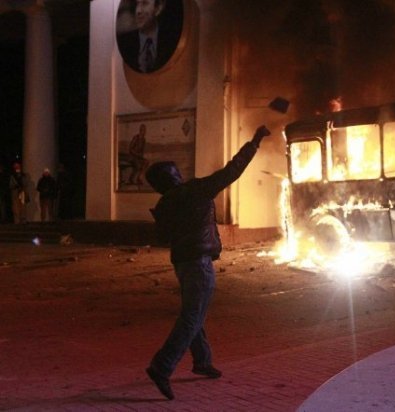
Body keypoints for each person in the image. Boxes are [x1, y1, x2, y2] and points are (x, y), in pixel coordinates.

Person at [144, 125, 271, 400]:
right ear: (175, 176)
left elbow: (163, 237)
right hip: (199, 263)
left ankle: (202, 360)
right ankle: (162, 366)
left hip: (182, 263)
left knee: (194, 311)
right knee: (192, 316)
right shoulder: (195, 190)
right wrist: (255, 141)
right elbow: (232, 170)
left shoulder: (164, 204)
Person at [116, 0, 181, 73]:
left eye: (145, 3)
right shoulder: (126, 43)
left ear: (158, 8)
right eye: (137, 4)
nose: (138, 11)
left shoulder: (170, 40)